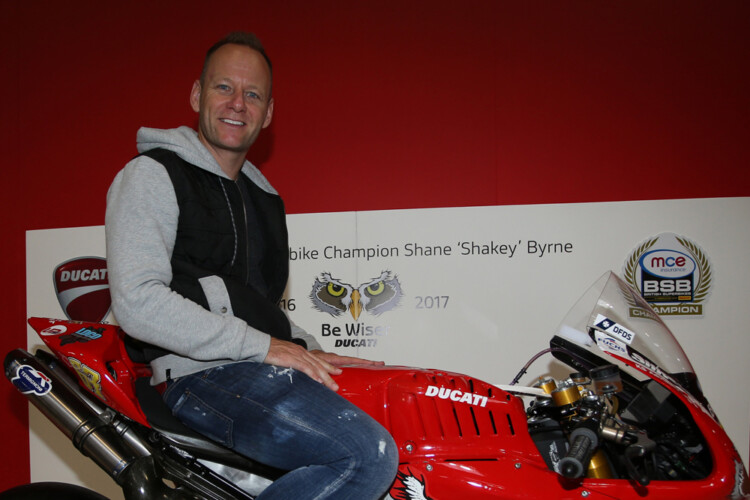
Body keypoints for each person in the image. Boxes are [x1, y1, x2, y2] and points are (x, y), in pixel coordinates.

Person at [105, 32, 399, 499]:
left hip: (254, 371)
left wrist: (309, 349)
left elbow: (260, 309)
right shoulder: (154, 174)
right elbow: (138, 303)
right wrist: (264, 346)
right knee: (366, 455)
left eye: (253, 94)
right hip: (198, 377)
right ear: (197, 95)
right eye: (224, 87)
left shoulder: (264, 199)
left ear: (269, 112)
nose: (238, 103)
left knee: (399, 425)